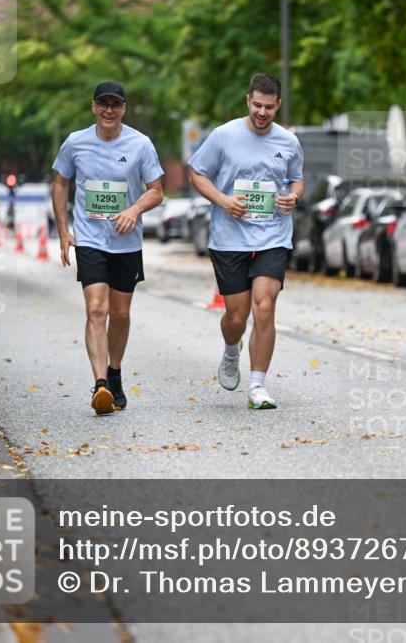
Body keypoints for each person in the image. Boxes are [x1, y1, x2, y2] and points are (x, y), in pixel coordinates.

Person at [188, 73, 304, 409]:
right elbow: (197, 173)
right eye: (257, 105)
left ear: (278, 105)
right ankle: (230, 350)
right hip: (229, 238)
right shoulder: (224, 136)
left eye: (269, 107)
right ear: (247, 101)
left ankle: (257, 386)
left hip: (273, 234)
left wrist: (293, 198)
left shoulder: (288, 142)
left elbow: (297, 181)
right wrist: (223, 201)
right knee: (236, 317)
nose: (262, 112)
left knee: (264, 306)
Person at [52, 81, 164, 416]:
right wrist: (63, 231)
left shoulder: (140, 144)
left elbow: (156, 190)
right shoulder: (76, 142)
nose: (109, 110)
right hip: (90, 238)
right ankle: (100, 383)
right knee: (96, 310)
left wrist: (133, 211)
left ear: (124, 109)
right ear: (93, 106)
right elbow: (60, 182)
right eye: (103, 104)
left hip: (126, 242)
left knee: (121, 314)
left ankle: (114, 372)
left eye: (115, 104)